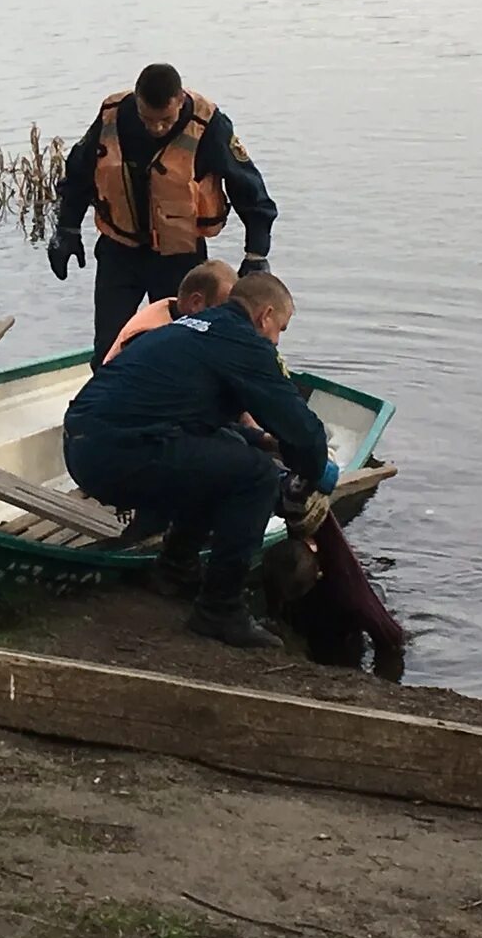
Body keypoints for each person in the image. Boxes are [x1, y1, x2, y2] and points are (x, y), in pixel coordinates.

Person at [61, 272, 337, 648]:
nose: (276, 341)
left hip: (84, 445)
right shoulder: (243, 343)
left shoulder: (193, 328)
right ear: (265, 316)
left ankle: (174, 572)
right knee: (254, 477)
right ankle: (219, 610)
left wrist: (263, 441)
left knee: (224, 452)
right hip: (117, 453)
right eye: (281, 329)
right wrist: (314, 474)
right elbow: (303, 431)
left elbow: (201, 421)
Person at [47, 63, 278, 366]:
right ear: (137, 102)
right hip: (120, 252)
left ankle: (181, 409)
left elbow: (249, 190)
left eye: (165, 120)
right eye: (148, 119)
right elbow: (79, 173)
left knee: (184, 346)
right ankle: (107, 406)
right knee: (109, 346)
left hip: (179, 257)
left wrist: (256, 253)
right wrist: (68, 229)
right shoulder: (113, 117)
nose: (156, 127)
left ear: (181, 100)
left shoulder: (210, 126)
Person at [105, 258, 237, 361]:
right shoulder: (149, 337)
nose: (228, 319)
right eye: (223, 310)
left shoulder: (173, 309)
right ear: (196, 302)